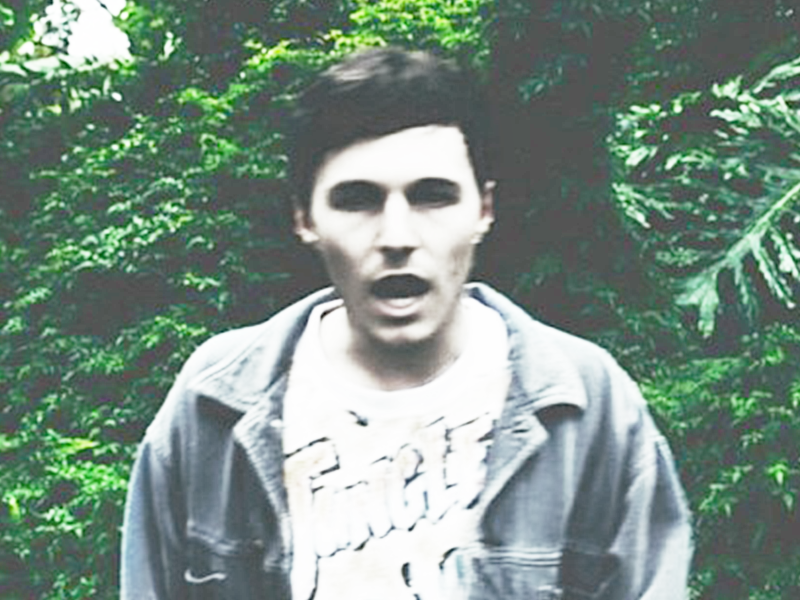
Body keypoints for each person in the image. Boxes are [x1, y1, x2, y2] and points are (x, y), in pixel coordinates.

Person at [120, 47, 692, 599]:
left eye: (432, 197)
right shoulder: (214, 403)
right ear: (304, 217)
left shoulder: (586, 404)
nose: (397, 236)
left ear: (484, 209)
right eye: (357, 200)